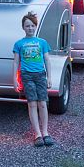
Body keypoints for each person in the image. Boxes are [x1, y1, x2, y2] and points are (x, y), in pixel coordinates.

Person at [13, 11, 54, 147]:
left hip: (40, 75)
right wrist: (15, 79)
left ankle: (45, 132)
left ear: (36, 26)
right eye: (27, 26)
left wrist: (49, 77)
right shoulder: (19, 44)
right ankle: (37, 134)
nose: (30, 28)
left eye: (32, 26)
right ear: (23, 28)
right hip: (27, 75)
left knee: (42, 103)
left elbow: (47, 60)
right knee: (32, 103)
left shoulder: (42, 42)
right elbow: (16, 62)